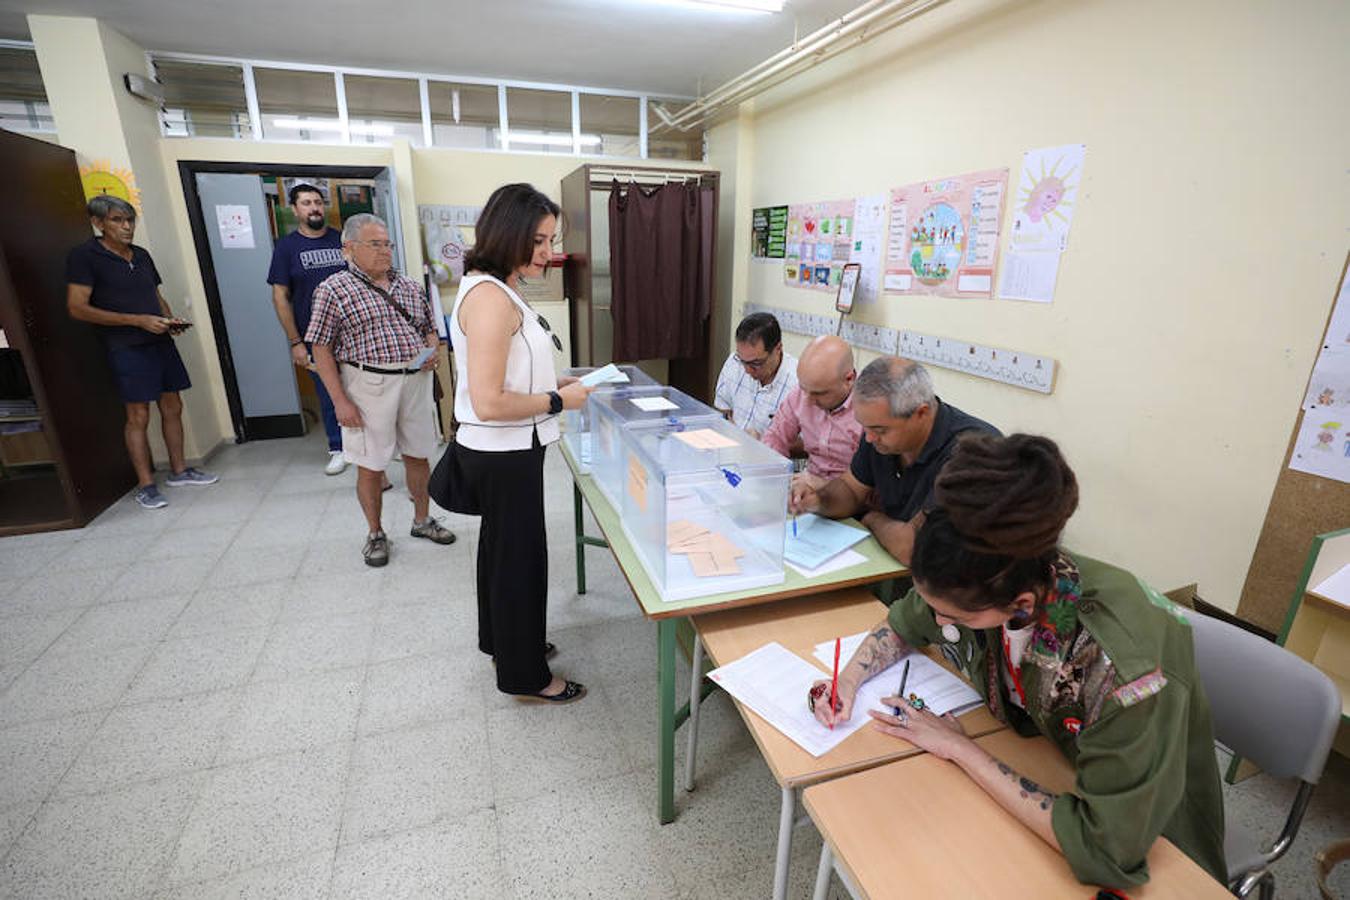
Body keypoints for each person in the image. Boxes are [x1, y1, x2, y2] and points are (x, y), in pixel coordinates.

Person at [809, 434, 1227, 890]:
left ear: (1021, 605)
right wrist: (847, 681)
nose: (935, 619)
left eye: (954, 617)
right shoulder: (1000, 567)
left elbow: (1105, 847)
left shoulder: (1121, 672)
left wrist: (961, 749)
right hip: (1053, 759)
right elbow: (906, 623)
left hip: (1160, 842)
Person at [449, 183, 592, 704]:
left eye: (550, 240)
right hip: (501, 451)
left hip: (508, 448)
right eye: (536, 240)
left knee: (502, 554)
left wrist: (555, 391)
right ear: (505, 232)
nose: (546, 253)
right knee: (519, 562)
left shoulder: (497, 286)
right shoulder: (489, 298)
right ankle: (526, 676)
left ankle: (505, 643)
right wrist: (559, 401)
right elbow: (489, 401)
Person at [305, 213, 455, 566]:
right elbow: (320, 347)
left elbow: (428, 327)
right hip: (367, 385)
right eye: (375, 244)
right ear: (349, 248)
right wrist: (339, 400)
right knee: (370, 465)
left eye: (387, 244)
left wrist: (431, 350)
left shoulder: (408, 286)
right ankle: (375, 533)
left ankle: (422, 519)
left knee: (419, 454)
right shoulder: (333, 289)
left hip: (414, 382)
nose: (385, 251)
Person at [66, 195, 218, 510]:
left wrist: (168, 319)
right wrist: (137, 321)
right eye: (117, 221)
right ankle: (146, 484)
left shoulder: (142, 255)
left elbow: (155, 295)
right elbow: (77, 308)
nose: (126, 227)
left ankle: (179, 470)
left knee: (173, 405)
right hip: (125, 345)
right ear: (98, 223)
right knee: (138, 415)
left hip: (160, 341)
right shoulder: (85, 256)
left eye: (130, 220)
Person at [790, 357, 997, 565]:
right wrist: (818, 500)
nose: (869, 438)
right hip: (897, 564)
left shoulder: (972, 454)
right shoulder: (879, 433)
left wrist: (872, 519)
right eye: (865, 427)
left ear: (921, 413)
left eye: (880, 430)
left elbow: (914, 547)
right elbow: (850, 489)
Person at [267, 182, 348, 475]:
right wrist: (295, 342)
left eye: (317, 201)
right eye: (306, 203)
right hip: (315, 338)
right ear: (295, 209)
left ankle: (370, 444)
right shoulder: (286, 248)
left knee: (363, 388)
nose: (314, 207)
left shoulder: (341, 240)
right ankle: (338, 447)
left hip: (352, 334)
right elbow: (280, 297)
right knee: (328, 393)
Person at [760, 334, 862, 492]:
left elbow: (873, 487)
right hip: (807, 489)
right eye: (804, 389)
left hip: (852, 500)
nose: (807, 400)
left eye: (819, 393)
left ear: (849, 379)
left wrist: (823, 485)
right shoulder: (802, 394)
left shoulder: (869, 408)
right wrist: (775, 473)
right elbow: (775, 437)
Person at [713, 312, 798, 438]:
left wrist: (764, 440)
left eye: (756, 363)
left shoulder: (798, 383)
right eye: (743, 361)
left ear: (778, 349)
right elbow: (723, 408)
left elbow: (808, 444)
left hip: (770, 455)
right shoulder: (734, 362)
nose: (747, 370)